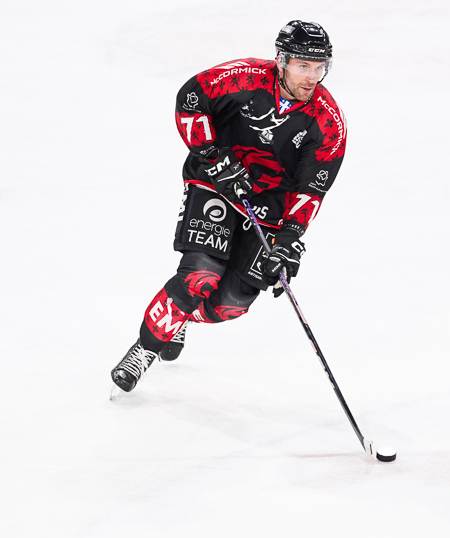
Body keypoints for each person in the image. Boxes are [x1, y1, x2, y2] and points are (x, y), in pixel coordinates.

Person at [110, 20, 347, 396]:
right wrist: (211, 156)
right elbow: (191, 101)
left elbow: (311, 190)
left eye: (320, 68)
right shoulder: (243, 78)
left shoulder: (327, 122)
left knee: (230, 305)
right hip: (215, 183)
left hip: (268, 204)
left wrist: (289, 239)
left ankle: (180, 317)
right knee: (198, 278)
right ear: (281, 60)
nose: (312, 77)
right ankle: (145, 349)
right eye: (303, 66)